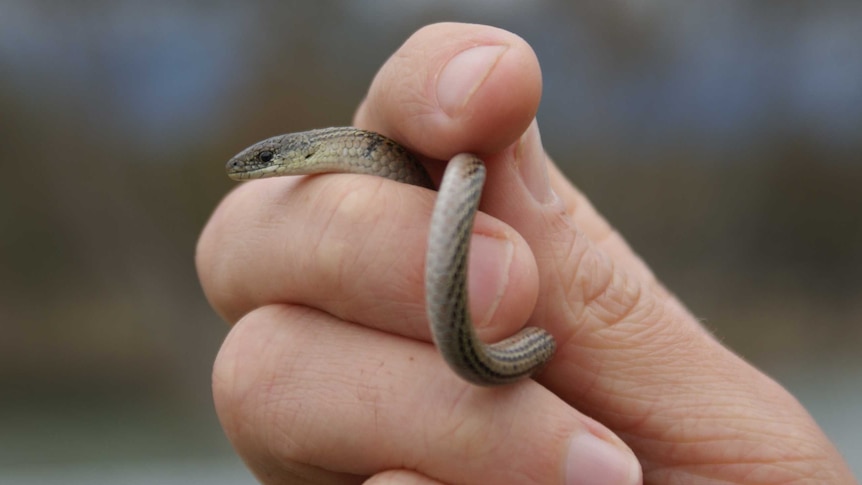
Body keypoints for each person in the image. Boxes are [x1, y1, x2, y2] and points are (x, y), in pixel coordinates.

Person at [196, 23, 855, 484]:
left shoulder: (387, 154)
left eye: (263, 161)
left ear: (289, 154)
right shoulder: (339, 162)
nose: (255, 168)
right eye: (261, 162)